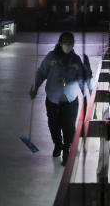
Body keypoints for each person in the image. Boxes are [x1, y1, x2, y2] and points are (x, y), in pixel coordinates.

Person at [29, 32, 92, 164]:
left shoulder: (76, 60)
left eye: (71, 42)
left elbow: (81, 79)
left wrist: (88, 92)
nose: (68, 45)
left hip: (70, 100)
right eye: (65, 42)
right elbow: (41, 73)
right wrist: (34, 87)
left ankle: (67, 149)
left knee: (69, 126)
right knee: (54, 126)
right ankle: (57, 143)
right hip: (53, 100)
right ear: (60, 42)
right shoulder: (51, 57)